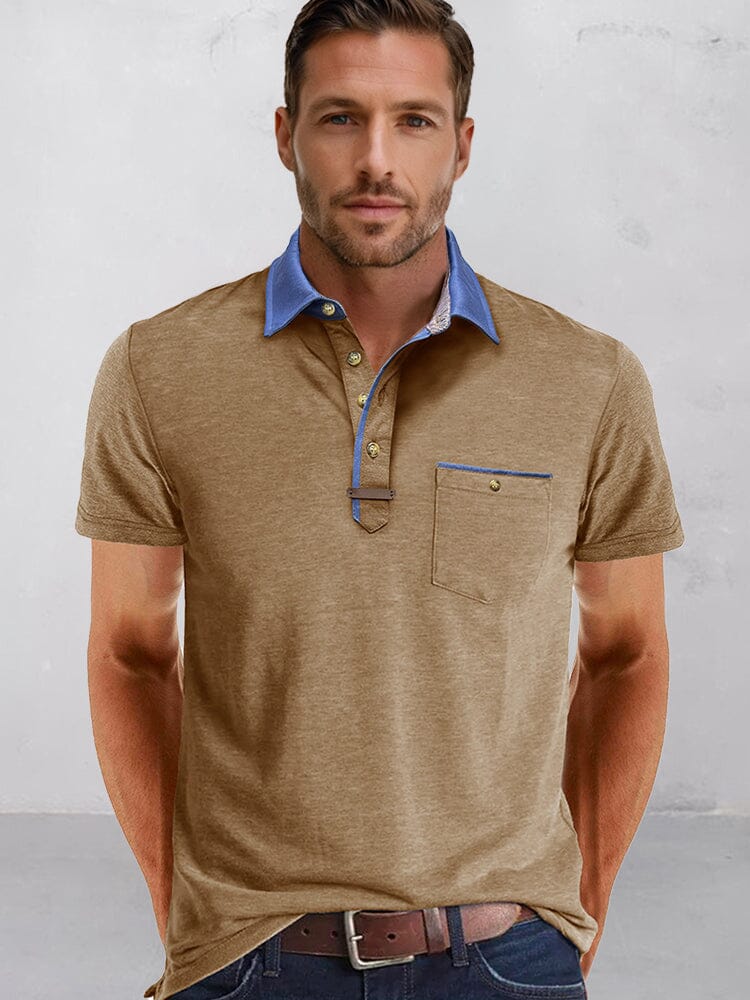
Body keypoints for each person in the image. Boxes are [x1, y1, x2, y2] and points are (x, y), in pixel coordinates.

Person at [74, 2, 685, 998]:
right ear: (286, 135)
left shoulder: (589, 379)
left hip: (507, 958)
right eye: (339, 118)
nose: (375, 161)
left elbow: (629, 652)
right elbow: (128, 651)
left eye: (414, 121)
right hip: (249, 964)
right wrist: (186, 913)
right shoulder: (159, 368)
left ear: (463, 144)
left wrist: (577, 906)